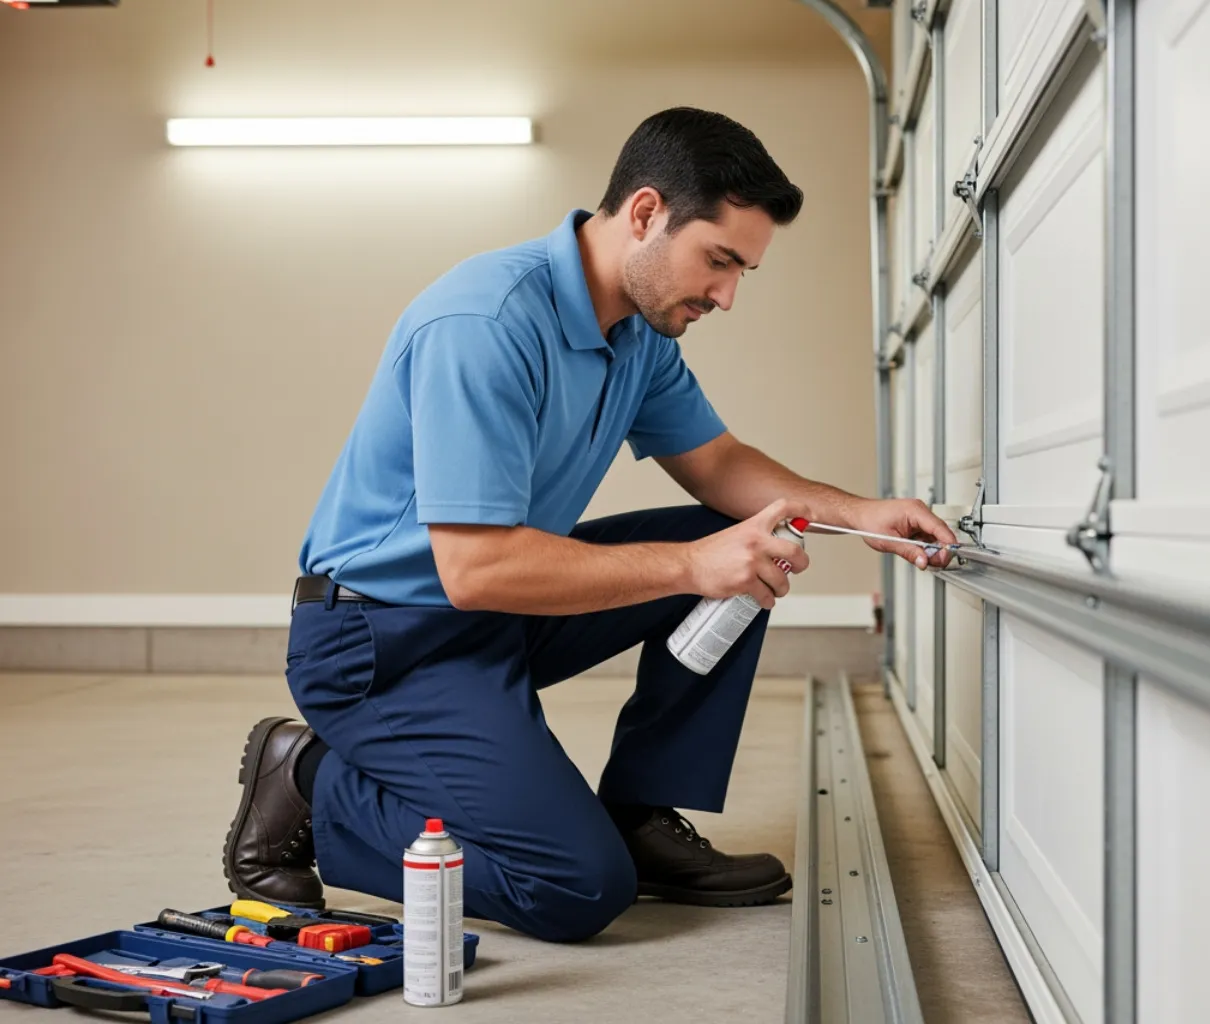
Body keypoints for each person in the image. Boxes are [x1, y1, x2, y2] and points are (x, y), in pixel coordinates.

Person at [222, 106, 956, 943]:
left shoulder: (639, 334)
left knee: (744, 539)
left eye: (743, 271)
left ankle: (640, 817)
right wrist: (690, 567)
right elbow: (475, 571)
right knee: (573, 885)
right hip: (379, 640)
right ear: (645, 214)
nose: (727, 295)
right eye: (719, 262)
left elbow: (718, 465)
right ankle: (310, 779)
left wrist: (862, 514)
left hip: (494, 615)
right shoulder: (485, 325)